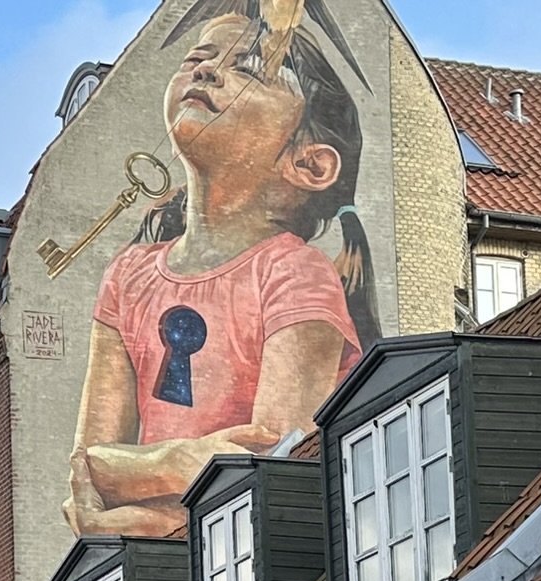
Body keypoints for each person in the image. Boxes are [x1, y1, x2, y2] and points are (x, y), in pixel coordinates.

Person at [65, 0, 377, 538]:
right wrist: (189, 460)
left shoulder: (295, 274)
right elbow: (84, 471)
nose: (206, 70)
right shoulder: (127, 275)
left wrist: (131, 489)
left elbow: (274, 470)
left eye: (249, 70)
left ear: (310, 163)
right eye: (197, 58)